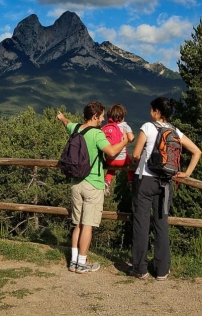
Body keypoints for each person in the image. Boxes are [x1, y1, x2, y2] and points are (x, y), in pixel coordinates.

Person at [129, 97, 201, 281]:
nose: (150, 112)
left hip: (145, 180)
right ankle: (162, 270)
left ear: (156, 112)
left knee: (141, 224)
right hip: (166, 183)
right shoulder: (175, 131)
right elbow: (197, 151)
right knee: (161, 224)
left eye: (152, 109)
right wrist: (186, 173)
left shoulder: (148, 127)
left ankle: (140, 269)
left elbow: (136, 154)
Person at [57, 102, 128, 274]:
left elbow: (67, 123)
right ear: (95, 116)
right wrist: (125, 140)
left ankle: (73, 262)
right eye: (102, 116)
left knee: (78, 224)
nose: (104, 119)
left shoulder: (76, 129)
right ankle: (82, 263)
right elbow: (111, 152)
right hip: (93, 184)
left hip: (76, 183)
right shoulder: (97, 134)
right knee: (87, 225)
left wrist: (61, 117)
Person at [102, 103, 135, 196]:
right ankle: (131, 181)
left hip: (109, 160)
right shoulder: (125, 126)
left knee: (111, 170)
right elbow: (131, 138)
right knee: (130, 162)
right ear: (122, 116)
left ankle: (107, 182)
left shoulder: (106, 128)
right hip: (122, 161)